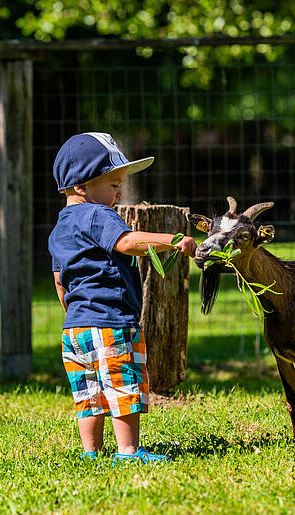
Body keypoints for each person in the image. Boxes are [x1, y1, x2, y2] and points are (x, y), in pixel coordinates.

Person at [48, 132, 196, 464]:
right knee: (122, 388)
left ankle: (91, 452)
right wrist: (173, 240)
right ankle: (129, 451)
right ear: (82, 186)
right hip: (111, 323)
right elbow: (127, 243)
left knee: (88, 394)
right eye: (113, 183)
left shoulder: (59, 228)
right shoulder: (98, 215)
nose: (120, 191)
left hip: (75, 329)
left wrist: (74, 313)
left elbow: (60, 281)